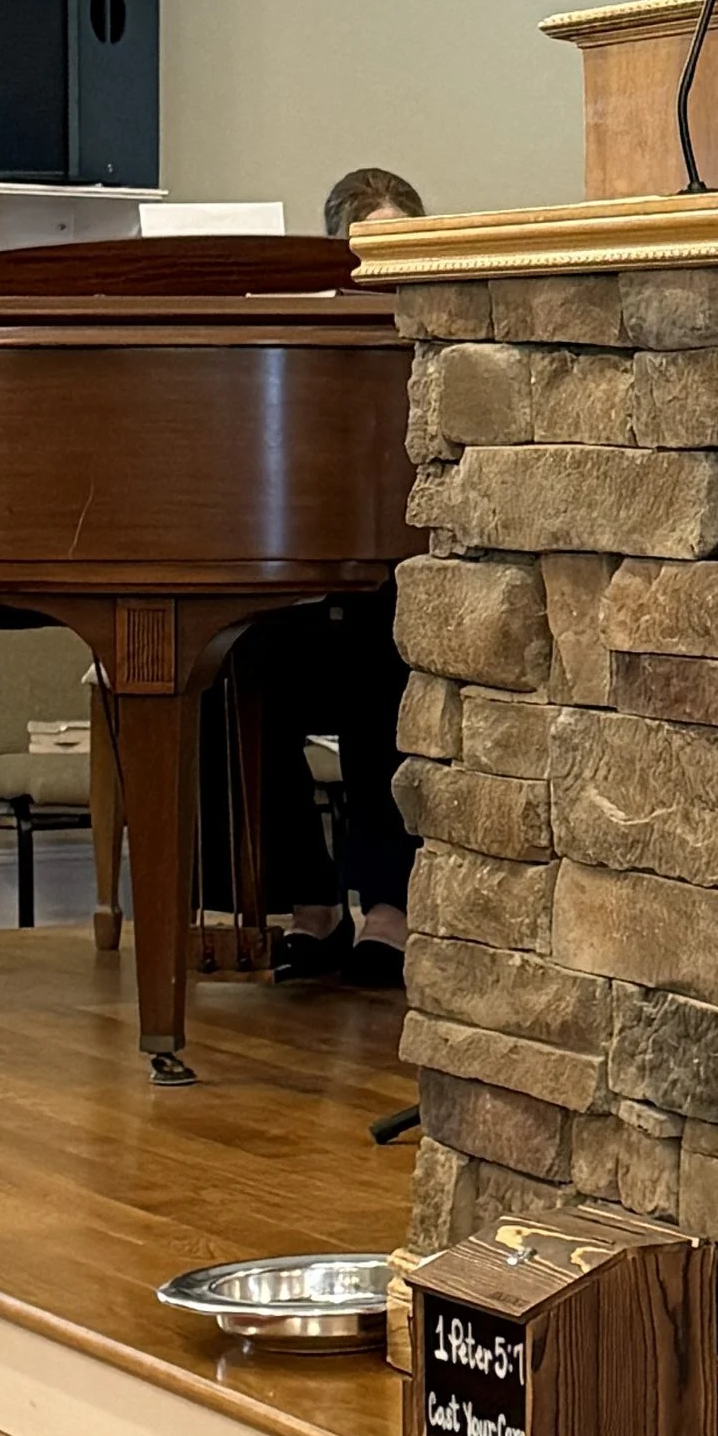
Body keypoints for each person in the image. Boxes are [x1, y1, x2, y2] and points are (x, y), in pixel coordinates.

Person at [257, 167, 427, 986]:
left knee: (378, 663)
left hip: (401, 588)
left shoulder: (437, 344)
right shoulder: (304, 353)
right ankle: (308, 902)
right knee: (239, 672)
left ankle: (388, 908)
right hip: (311, 586)